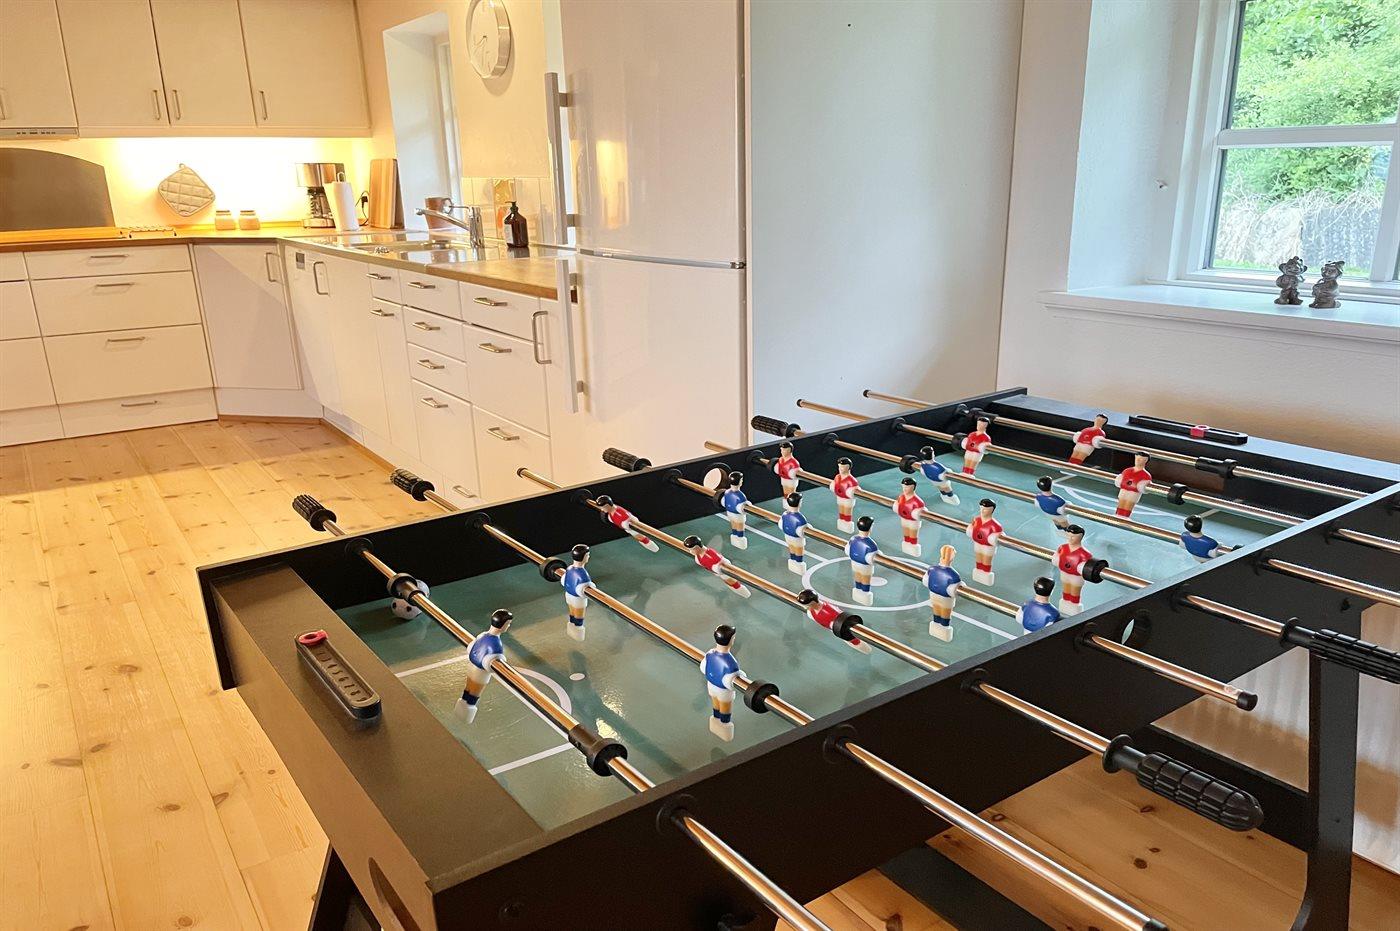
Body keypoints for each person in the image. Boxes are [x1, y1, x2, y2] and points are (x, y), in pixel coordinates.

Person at [456, 609, 513, 722]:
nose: (509, 626)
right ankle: (465, 715)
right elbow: (493, 659)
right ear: (503, 625)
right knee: (474, 694)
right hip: (481, 673)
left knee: (468, 690)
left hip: (472, 667)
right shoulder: (496, 643)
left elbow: (472, 647)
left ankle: (461, 710)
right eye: (508, 624)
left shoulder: (482, 635)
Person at [797, 589, 870, 653]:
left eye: (806, 604)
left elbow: (838, 615)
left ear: (812, 602)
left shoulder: (828, 610)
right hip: (835, 628)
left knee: (854, 641)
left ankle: (866, 650)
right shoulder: (811, 612)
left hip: (841, 627)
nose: (805, 606)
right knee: (849, 640)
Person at [703, 625, 742, 741]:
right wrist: (741, 676)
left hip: (711, 685)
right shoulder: (731, 662)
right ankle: (724, 724)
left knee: (715, 704)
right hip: (723, 690)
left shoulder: (710, 654)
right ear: (730, 641)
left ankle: (716, 719)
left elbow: (704, 667)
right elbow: (730, 679)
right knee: (725, 707)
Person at [684, 535, 751, 597]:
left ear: (697, 548)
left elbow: (723, 560)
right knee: (729, 583)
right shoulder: (698, 557)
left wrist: (717, 568)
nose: (690, 552)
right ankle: (743, 593)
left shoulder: (710, 553)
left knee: (732, 582)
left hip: (724, 571)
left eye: (691, 549)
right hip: (718, 573)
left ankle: (746, 594)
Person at [923, 544, 961, 642]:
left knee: (936, 610)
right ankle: (943, 626)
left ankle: (937, 623)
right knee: (945, 612)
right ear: (951, 558)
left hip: (934, 595)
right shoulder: (953, 575)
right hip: (945, 598)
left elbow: (926, 580)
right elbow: (954, 587)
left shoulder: (932, 569)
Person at [1054, 525, 1092, 615]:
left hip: (1076, 577)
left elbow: (1086, 565)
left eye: (1073, 537)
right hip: (1064, 574)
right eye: (1069, 536)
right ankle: (1065, 604)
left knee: (1075, 593)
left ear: (1080, 537)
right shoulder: (1062, 548)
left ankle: (1074, 607)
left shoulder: (1084, 554)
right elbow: (1056, 557)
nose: (1070, 538)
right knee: (1066, 590)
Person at [965, 498, 1003, 585]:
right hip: (977, 543)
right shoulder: (976, 520)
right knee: (978, 558)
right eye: (981, 508)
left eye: (985, 509)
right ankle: (978, 572)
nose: (982, 511)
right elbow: (971, 527)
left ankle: (985, 574)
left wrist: (994, 538)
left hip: (988, 546)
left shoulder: (995, 525)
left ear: (992, 510)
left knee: (986, 560)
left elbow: (999, 534)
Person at [844, 515, 880, 606]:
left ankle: (858, 589)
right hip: (865, 566)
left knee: (857, 576)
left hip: (854, 563)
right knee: (865, 579)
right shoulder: (871, 544)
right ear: (870, 528)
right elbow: (874, 556)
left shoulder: (853, 538)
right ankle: (864, 592)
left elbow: (848, 549)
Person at [561, 544, 593, 641]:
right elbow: (585, 586)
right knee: (579, 616)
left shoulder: (569, 568)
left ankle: (572, 625)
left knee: (572, 613)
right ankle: (577, 630)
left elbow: (564, 580)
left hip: (568, 595)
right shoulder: (583, 574)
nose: (589, 557)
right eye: (588, 555)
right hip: (578, 599)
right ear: (584, 557)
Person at [891, 477, 926, 556]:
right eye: (903, 487)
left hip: (913, 521)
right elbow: (897, 503)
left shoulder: (917, 501)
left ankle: (913, 546)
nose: (904, 489)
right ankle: (907, 545)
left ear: (913, 487)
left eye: (907, 487)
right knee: (906, 533)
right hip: (904, 518)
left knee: (913, 534)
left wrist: (917, 513)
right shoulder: (901, 497)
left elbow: (921, 509)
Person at [1115, 451, 1152, 518]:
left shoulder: (1146, 475)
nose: (1137, 460)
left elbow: (1146, 485)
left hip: (1134, 493)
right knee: (1121, 503)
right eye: (1136, 458)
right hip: (1124, 490)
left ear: (1145, 461)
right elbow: (1121, 479)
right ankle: (1117, 516)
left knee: (1128, 505)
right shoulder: (1127, 470)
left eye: (1140, 459)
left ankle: (1125, 518)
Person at [779, 492, 809, 575]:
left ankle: (793, 560)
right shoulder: (800, 518)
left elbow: (781, 524)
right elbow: (803, 529)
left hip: (788, 536)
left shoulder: (785, 514)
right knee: (799, 549)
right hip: (797, 538)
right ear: (799, 503)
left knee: (791, 548)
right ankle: (798, 563)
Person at [719, 471, 748, 549]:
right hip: (737, 514)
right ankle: (740, 538)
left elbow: (725, 501)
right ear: (739, 482)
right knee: (740, 525)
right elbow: (744, 505)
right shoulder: (740, 495)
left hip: (729, 512)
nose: (742, 481)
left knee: (734, 524)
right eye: (741, 480)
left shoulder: (727, 492)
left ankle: (735, 535)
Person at [830, 457, 860, 532]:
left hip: (847, 499)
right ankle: (842, 522)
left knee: (847, 511)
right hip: (840, 497)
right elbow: (834, 484)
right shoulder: (837, 477)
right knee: (841, 510)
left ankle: (847, 523)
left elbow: (856, 489)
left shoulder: (852, 480)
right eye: (839, 467)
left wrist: (851, 491)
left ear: (848, 468)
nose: (840, 469)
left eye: (843, 467)